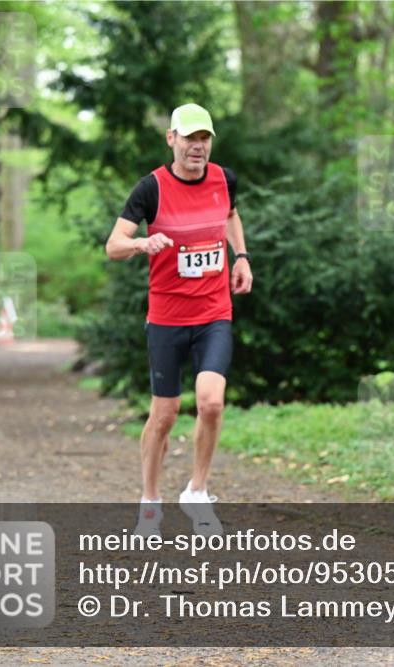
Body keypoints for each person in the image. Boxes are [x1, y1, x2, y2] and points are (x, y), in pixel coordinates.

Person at [106, 103, 253, 538]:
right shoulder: (150, 188)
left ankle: (197, 491)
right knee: (165, 414)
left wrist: (240, 256)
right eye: (190, 138)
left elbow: (229, 214)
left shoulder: (224, 179)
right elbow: (114, 244)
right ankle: (150, 503)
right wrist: (142, 244)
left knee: (211, 401)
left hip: (213, 312)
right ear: (171, 139)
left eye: (204, 138)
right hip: (168, 316)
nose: (198, 146)